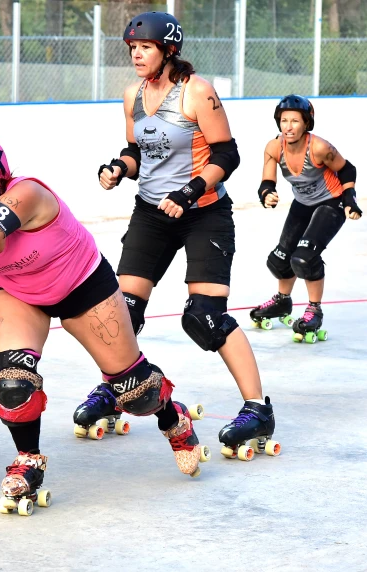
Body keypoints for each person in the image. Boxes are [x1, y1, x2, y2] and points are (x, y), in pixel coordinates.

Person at [0, 135, 210, 514]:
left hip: (81, 285)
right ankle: (28, 459)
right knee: (12, 384)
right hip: (18, 293)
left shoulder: (28, 194)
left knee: (137, 392)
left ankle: (173, 418)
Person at [96, 11, 278, 461]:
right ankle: (115, 389)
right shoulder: (132, 95)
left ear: (168, 50)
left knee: (205, 317)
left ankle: (258, 408)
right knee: (121, 311)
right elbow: (137, 150)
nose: (136, 54)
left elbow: (227, 153)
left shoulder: (197, 92)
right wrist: (120, 168)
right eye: (132, 48)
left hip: (204, 215)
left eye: (146, 47)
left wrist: (192, 189)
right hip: (152, 214)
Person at [250, 94, 361, 343]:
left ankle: (314, 309)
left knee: (304, 258)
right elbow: (266, 181)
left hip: (331, 203)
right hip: (303, 204)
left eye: (295, 121)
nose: (288, 127)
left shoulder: (319, 148)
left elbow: (347, 169)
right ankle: (282, 301)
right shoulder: (273, 147)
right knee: (279, 261)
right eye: (284, 120)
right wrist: (267, 193)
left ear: (306, 123)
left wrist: (350, 199)